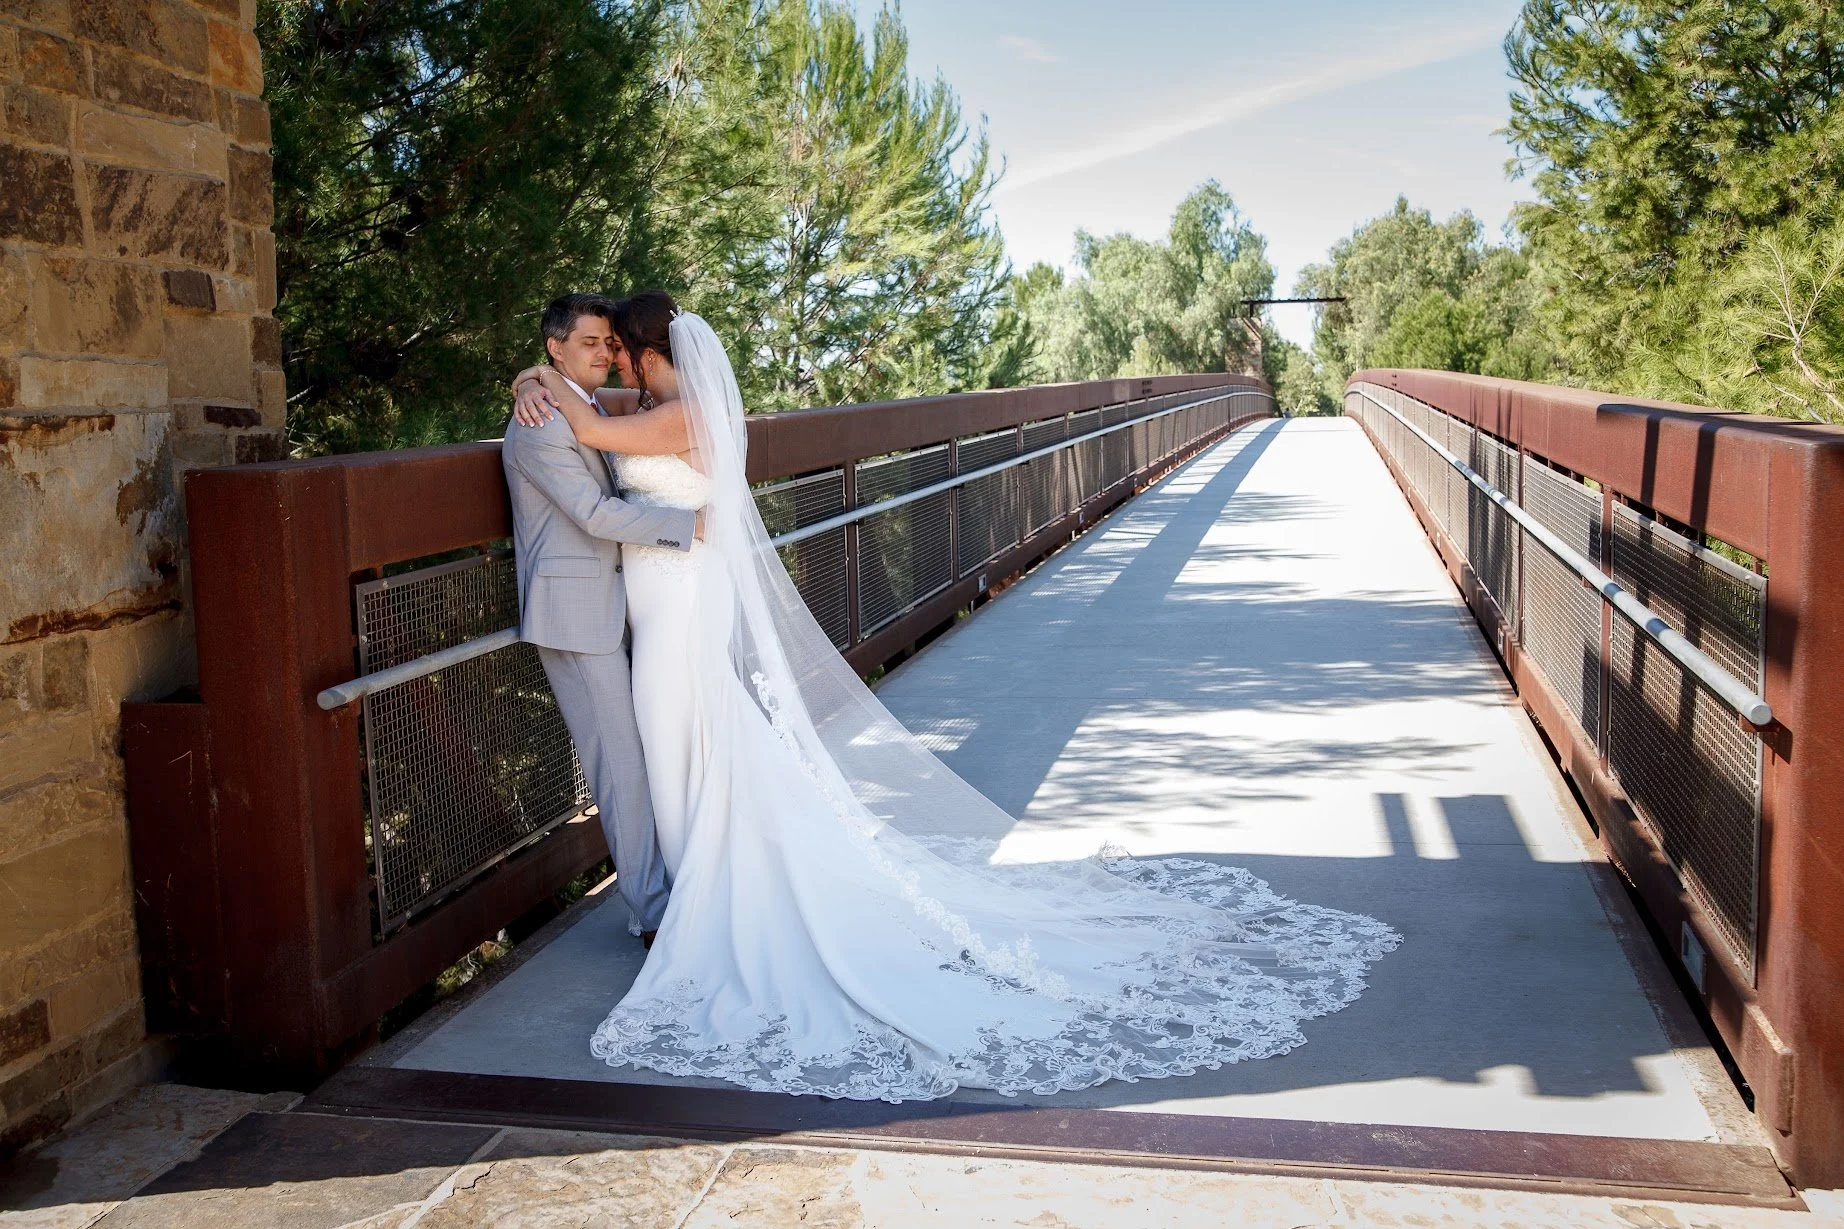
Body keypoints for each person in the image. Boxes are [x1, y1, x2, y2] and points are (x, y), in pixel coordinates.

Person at [509, 291, 1400, 1101]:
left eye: (614, 350)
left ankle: (704, 895)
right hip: (669, 601)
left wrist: (536, 379)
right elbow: (593, 419)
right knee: (689, 746)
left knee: (688, 740)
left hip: (682, 605)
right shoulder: (670, 407)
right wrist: (539, 374)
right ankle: (696, 885)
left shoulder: (670, 419)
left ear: (639, 350)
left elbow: (585, 433)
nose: (611, 364)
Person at [500, 293, 702, 947]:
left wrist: (532, 377)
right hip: (573, 614)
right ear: (554, 347)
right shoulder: (537, 420)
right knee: (619, 764)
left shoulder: (573, 402)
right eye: (588, 342)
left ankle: (663, 893)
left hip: (612, 604)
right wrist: (688, 525)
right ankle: (653, 914)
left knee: (635, 756)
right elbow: (593, 513)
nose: (603, 353)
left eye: (607, 343)